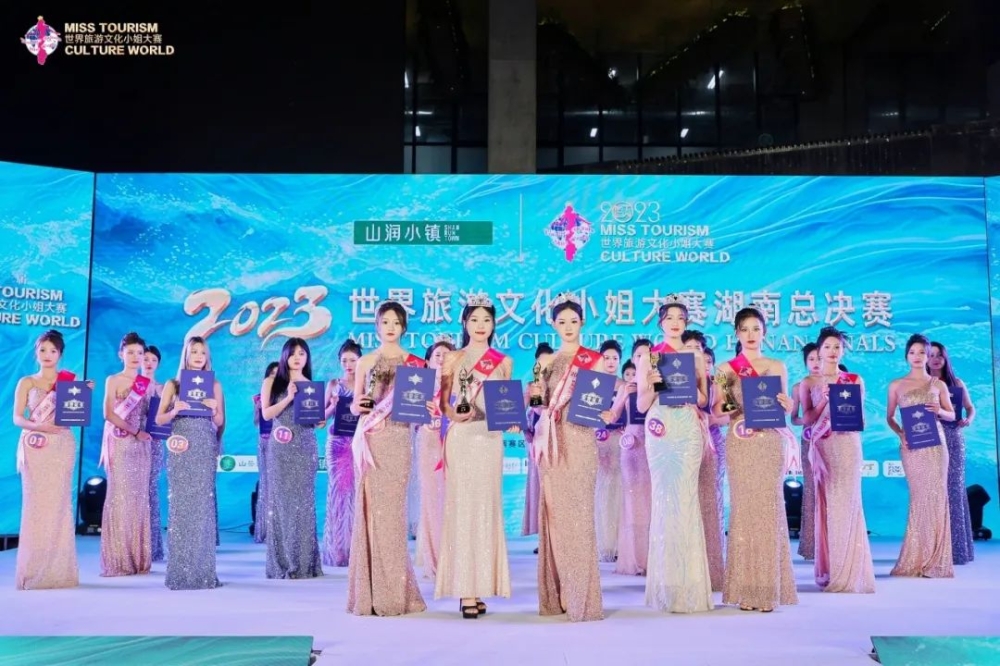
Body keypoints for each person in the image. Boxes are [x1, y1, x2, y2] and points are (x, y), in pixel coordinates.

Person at [713, 308, 797, 612]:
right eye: (744, 329)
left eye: (756, 328)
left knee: (769, 510)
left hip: (769, 443)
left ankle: (769, 588)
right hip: (740, 440)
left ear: (765, 332)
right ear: (736, 333)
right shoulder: (724, 369)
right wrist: (731, 405)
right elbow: (718, 412)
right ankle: (746, 589)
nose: (750, 335)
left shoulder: (777, 365)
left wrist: (788, 405)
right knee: (745, 510)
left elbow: (784, 407)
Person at [346, 301, 427, 616]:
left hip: (399, 440)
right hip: (372, 440)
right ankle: (371, 591)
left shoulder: (415, 364)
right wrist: (360, 405)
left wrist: (426, 408)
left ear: (403, 327)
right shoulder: (366, 362)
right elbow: (354, 404)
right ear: (377, 326)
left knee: (393, 514)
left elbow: (417, 410)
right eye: (385, 322)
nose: (391, 327)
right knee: (372, 512)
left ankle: (395, 590)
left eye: (396, 322)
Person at [531, 293, 608, 622]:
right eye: (561, 322)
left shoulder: (594, 360)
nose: (567, 327)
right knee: (557, 517)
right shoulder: (546, 362)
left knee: (580, 516)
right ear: (553, 324)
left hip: (580, 440)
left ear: (582, 323)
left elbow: (599, 406)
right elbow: (537, 404)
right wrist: (538, 399)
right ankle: (559, 593)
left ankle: (582, 597)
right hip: (552, 443)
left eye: (573, 321)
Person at [435, 295, 513, 618]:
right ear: (465, 323)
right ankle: (465, 590)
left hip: (490, 440)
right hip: (463, 438)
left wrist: (511, 418)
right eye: (475, 320)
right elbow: (442, 402)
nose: (481, 326)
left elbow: (505, 402)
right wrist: (455, 414)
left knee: (486, 509)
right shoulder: (452, 358)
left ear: (494, 324)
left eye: (487, 320)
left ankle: (480, 586)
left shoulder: (503, 361)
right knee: (464, 509)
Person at [640, 298, 713, 613]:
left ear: (686, 322)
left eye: (680, 318)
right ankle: (666, 585)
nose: (674, 322)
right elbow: (641, 405)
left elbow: (704, 399)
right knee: (664, 499)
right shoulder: (650, 357)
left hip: (686, 428)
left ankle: (690, 585)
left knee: (686, 499)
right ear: (660, 323)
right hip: (660, 428)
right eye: (669, 318)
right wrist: (653, 385)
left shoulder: (694, 356)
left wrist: (691, 391)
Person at [800, 327, 875, 593]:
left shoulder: (854, 380)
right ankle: (833, 569)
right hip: (823, 446)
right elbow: (807, 418)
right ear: (819, 351)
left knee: (849, 503)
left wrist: (853, 418)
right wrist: (824, 402)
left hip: (848, 445)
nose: (832, 351)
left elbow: (861, 417)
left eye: (837, 347)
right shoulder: (809, 383)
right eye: (827, 347)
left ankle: (852, 571)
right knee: (829, 505)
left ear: (843, 351)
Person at [12, 330, 83, 590]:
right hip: (35, 445)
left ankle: (59, 572)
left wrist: (83, 395)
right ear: (36, 352)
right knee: (35, 506)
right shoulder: (27, 382)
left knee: (59, 504)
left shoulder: (70, 382)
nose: (47, 355)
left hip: (62, 446)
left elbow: (75, 416)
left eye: (53, 350)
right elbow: (17, 418)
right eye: (43, 349)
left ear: (60, 354)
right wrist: (40, 427)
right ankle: (33, 571)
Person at [155, 335, 224, 590]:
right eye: (194, 351)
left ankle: (202, 570)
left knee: (202, 504)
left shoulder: (214, 385)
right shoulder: (173, 384)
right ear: (186, 354)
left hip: (204, 445)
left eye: (202, 352)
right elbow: (159, 419)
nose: (198, 356)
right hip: (180, 447)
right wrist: (174, 409)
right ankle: (180, 570)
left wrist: (214, 409)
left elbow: (219, 422)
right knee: (181, 505)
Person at [887, 334, 955, 578]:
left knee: (937, 497)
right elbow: (889, 417)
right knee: (919, 497)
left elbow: (952, 414)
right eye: (912, 352)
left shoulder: (938, 385)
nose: (917, 356)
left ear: (928, 356)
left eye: (922, 352)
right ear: (906, 355)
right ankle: (916, 558)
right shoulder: (897, 385)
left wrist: (940, 411)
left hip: (936, 446)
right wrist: (900, 434)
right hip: (911, 447)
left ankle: (936, 559)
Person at [260, 338, 324, 579]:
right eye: (293, 353)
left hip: (305, 447)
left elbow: (314, 422)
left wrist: (322, 417)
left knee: (304, 504)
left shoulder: (311, 386)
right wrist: (288, 397)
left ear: (307, 358)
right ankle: (283, 561)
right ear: (285, 356)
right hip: (281, 448)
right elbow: (267, 414)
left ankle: (305, 562)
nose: (297, 358)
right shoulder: (272, 382)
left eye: (302, 353)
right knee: (281, 502)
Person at [99, 331, 153, 577]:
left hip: (141, 446)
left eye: (139, 353)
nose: (135, 357)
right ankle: (119, 558)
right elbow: (108, 414)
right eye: (130, 352)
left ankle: (137, 558)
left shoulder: (146, 383)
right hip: (120, 442)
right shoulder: (113, 380)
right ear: (121, 354)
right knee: (119, 497)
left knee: (138, 498)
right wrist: (135, 431)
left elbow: (152, 416)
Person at [928, 341, 976, 565]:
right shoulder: (923, 383)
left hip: (954, 437)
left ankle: (958, 549)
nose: (935, 359)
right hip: (930, 437)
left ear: (945, 358)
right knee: (933, 490)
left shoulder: (957, 383)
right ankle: (933, 549)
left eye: (939, 355)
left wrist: (969, 419)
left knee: (954, 490)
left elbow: (970, 407)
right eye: (931, 355)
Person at [321, 342, 360, 566]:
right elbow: (320, 418)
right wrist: (333, 406)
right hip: (337, 443)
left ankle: (355, 550)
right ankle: (336, 550)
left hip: (359, 443)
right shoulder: (334, 384)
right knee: (337, 492)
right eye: (344, 360)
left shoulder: (367, 384)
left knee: (356, 493)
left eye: (353, 360)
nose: (348, 364)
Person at [790, 343, 820, 560]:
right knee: (811, 489)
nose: (816, 363)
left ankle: (833, 544)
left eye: (819, 358)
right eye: (811, 359)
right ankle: (810, 544)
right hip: (810, 439)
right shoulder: (799, 386)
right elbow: (794, 418)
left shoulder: (837, 383)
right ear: (805, 362)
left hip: (832, 439)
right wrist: (809, 420)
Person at [141, 345, 166, 562]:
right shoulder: (130, 386)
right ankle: (135, 545)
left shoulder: (163, 388)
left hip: (155, 443)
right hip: (132, 442)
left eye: (153, 360)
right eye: (145, 359)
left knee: (150, 489)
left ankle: (152, 545)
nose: (148, 363)